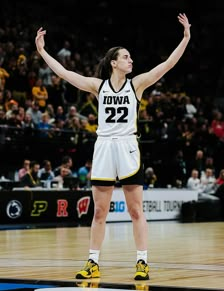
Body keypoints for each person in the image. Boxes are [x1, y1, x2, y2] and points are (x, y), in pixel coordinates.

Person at [35, 13, 191, 280]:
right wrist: (42, 50)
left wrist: (186, 37)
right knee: (99, 211)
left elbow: (167, 64)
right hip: (105, 146)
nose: (131, 60)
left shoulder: (137, 84)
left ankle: (142, 262)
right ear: (114, 62)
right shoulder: (99, 86)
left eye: (131, 57)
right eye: (126, 57)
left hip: (128, 146)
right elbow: (65, 73)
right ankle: (93, 262)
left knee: (135, 210)